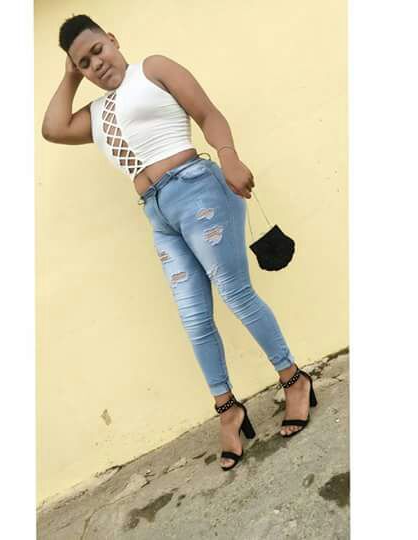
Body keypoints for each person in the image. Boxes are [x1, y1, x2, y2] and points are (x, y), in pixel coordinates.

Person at [41, 14, 317, 471]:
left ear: (113, 39)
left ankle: (294, 380)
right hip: (158, 214)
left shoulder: (152, 69)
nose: (96, 63)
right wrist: (69, 75)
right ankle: (228, 411)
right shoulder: (96, 115)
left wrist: (229, 157)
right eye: (84, 63)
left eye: (98, 50)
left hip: (198, 190)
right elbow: (52, 128)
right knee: (193, 317)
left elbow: (207, 113)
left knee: (235, 294)